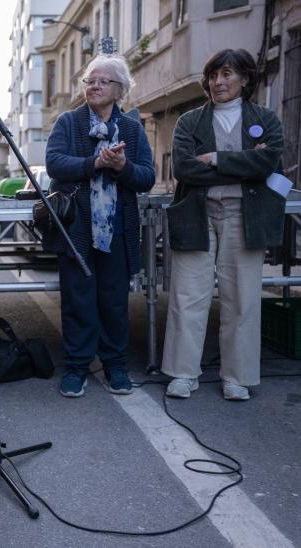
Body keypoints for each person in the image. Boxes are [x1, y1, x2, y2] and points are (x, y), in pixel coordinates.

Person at [161, 49, 285, 401]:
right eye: (214, 75)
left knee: (243, 298)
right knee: (188, 296)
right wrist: (244, 161)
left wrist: (215, 158)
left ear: (245, 79)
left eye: (227, 74)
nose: (218, 82)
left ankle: (238, 377)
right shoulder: (189, 121)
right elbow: (184, 169)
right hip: (197, 214)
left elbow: (266, 164)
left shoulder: (265, 119)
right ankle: (183, 373)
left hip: (245, 215)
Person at [44, 54, 155, 397]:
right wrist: (95, 162)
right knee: (77, 300)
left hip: (118, 229)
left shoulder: (134, 129)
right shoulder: (69, 122)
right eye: (89, 80)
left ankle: (115, 366)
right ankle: (76, 367)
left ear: (119, 90)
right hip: (77, 226)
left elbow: (147, 177)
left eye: (102, 81)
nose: (93, 86)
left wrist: (122, 166)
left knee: (114, 301)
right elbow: (54, 164)